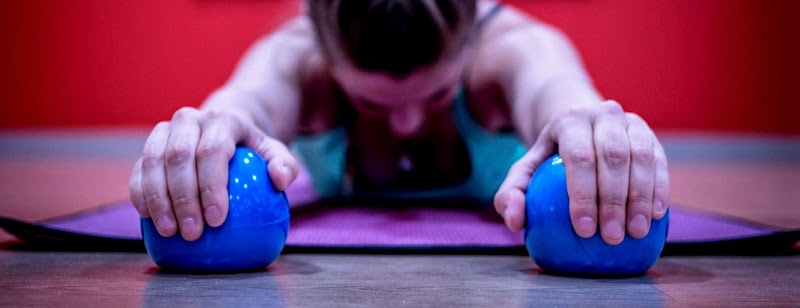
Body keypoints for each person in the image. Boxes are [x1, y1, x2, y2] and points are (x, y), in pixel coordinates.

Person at [128, 0, 670, 246]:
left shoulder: (514, 47)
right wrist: (212, 128)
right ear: (324, 54)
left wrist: (585, 122)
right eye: (368, 102)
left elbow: (554, 90)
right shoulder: (295, 55)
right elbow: (246, 104)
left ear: (471, 40)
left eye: (439, 93)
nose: (407, 124)